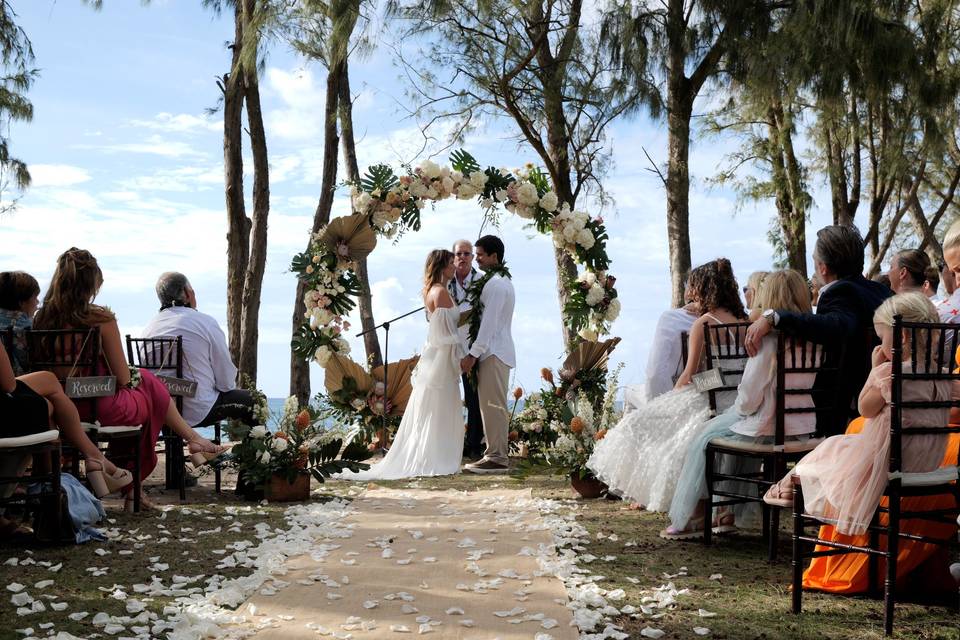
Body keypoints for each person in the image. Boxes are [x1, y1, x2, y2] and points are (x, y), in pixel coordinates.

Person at [33, 248, 226, 510]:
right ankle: (147, 477)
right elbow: (123, 377)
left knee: (147, 384)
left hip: (59, 406)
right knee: (147, 390)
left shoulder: (40, 320)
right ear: (92, 284)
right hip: (97, 406)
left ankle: (188, 443)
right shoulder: (100, 319)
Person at [763, 292, 954, 536]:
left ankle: (789, 483)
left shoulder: (890, 373)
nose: (879, 345)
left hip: (885, 461)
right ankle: (791, 481)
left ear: (901, 336)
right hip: (924, 460)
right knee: (836, 445)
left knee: (832, 447)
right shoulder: (942, 374)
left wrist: (874, 371)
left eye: (882, 337)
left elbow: (865, 408)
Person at [661, 270, 817, 538]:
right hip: (802, 427)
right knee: (737, 428)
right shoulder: (814, 340)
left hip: (761, 420)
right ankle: (725, 513)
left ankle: (693, 517)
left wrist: (740, 408)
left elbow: (747, 398)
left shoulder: (766, 339)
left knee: (705, 437)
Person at [587, 258, 747, 511]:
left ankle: (644, 490)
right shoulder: (746, 322)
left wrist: (675, 396)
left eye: (693, 288)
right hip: (739, 399)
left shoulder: (703, 324)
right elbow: (735, 373)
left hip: (713, 398)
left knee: (637, 422)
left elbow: (688, 376)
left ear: (703, 290)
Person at [745, 225, 892, 437]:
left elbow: (838, 325)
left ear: (823, 268)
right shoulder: (881, 290)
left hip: (841, 409)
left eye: (814, 260)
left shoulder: (841, 292)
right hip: (881, 395)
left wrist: (776, 316)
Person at [337, 249, 465, 480]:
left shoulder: (432, 291)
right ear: (441, 266)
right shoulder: (442, 293)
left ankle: (432, 454)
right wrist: (460, 358)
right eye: (450, 263)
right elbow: (446, 336)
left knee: (432, 409)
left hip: (434, 359)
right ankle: (437, 458)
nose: (454, 266)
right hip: (441, 361)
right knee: (440, 408)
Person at [142, 272, 255, 428]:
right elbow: (226, 382)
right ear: (188, 294)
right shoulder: (205, 322)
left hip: (160, 411)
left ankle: (173, 447)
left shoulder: (149, 328)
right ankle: (256, 452)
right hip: (199, 411)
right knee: (256, 400)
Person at [462, 235, 516, 475]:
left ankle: (496, 457)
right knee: (490, 405)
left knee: (493, 406)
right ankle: (495, 454)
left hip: (494, 352)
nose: (477, 260)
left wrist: (472, 354)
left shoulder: (496, 285)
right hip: (494, 351)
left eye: (481, 255)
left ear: (495, 256)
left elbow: (489, 325)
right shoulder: (497, 281)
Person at [448, 240, 483, 460]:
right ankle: (451, 442)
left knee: (473, 399)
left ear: (472, 257)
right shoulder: (445, 281)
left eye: (466, 253)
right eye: (458, 253)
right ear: (453, 257)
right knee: (448, 396)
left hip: (472, 347)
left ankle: (474, 444)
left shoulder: (481, 281)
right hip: (450, 346)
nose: (462, 257)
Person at [638, 280, 699, 403]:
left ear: (690, 292)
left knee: (628, 392)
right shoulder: (735, 321)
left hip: (677, 392)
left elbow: (654, 373)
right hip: (713, 390)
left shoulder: (672, 318)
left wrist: (657, 403)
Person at [0, 271, 40, 375]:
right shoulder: (26, 327)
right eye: (35, 297)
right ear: (22, 302)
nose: (38, 302)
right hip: (20, 382)